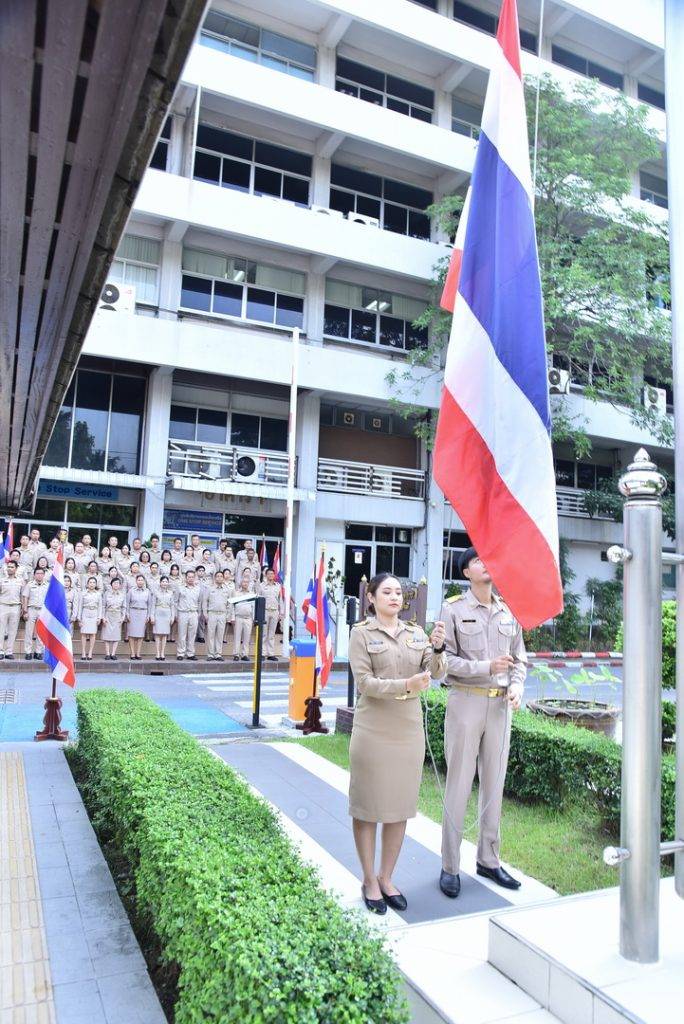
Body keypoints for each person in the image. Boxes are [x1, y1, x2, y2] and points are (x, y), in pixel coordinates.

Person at [348, 573, 447, 915]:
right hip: (373, 728)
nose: (394, 597)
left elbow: (434, 672)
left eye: (398, 592)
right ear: (371, 598)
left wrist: (437, 648)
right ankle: (368, 879)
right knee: (368, 806)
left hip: (408, 730)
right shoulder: (361, 633)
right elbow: (365, 682)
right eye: (386, 592)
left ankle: (386, 877)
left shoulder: (416, 633)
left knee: (398, 806)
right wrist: (406, 684)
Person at [438, 547, 527, 899]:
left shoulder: (508, 609)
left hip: (500, 708)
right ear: (465, 572)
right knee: (459, 785)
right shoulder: (453, 608)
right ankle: (449, 866)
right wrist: (485, 668)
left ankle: (489, 859)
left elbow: (520, 657)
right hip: (466, 702)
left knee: (494, 785)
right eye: (477, 561)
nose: (486, 563)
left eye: (489, 558)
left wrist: (517, 686)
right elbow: (443, 661)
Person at [202, 570, 232, 661]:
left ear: (223, 578)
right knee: (211, 635)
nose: (219, 578)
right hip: (212, 614)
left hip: (222, 614)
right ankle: (210, 654)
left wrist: (228, 615)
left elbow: (230, 603)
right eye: (217, 576)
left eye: (221, 576)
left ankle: (218, 654)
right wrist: (205, 613)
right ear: (215, 578)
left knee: (220, 635)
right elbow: (204, 601)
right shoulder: (209, 589)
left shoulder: (227, 589)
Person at [22, 567, 50, 660]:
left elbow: (50, 599)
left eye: (41, 573)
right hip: (31, 609)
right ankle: (28, 652)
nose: (39, 575)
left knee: (41, 632)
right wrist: (25, 611)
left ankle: (38, 652)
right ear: (34, 575)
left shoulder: (47, 585)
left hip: (43, 610)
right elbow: (25, 597)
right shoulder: (30, 585)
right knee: (29, 632)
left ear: (44, 575)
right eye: (37, 573)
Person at [0, 561, 24, 659]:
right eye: (8, 567)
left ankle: (9, 651)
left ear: (16, 568)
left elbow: (22, 595)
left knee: (12, 630)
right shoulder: (1, 580)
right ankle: (0, 651)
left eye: (12, 567)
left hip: (15, 607)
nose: (10, 568)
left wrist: (23, 608)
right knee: (1, 630)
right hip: (3, 606)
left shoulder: (21, 581)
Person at [176, 570, 200, 661]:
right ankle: (180, 653)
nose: (190, 579)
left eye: (192, 577)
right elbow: (175, 601)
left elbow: (199, 601)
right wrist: (176, 614)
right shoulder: (180, 588)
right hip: (183, 613)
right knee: (182, 634)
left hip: (193, 613)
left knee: (192, 634)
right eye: (189, 577)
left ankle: (190, 653)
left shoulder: (197, 588)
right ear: (186, 578)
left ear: (194, 578)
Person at [260, 569, 283, 661]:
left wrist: (281, 613)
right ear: (266, 575)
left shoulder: (278, 586)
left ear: (274, 575)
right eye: (269, 574)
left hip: (274, 611)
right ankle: (262, 653)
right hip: (264, 611)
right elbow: (259, 599)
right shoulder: (261, 586)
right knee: (264, 633)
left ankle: (271, 653)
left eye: (272, 574)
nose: (270, 575)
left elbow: (280, 600)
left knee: (272, 634)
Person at [77, 576, 103, 661]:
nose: (92, 584)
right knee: (84, 633)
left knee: (92, 634)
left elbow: (100, 607)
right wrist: (79, 618)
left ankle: (90, 652)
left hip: (94, 613)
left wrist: (99, 617)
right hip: (85, 612)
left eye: (93, 583)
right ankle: (83, 652)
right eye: (90, 582)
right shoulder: (83, 593)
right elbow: (80, 606)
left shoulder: (98, 594)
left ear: (96, 584)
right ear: (87, 584)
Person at [150, 575, 175, 661]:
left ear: (168, 583)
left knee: (164, 634)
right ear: (160, 583)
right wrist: (152, 616)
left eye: (166, 582)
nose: (164, 583)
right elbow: (152, 605)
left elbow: (172, 605)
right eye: (163, 581)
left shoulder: (171, 593)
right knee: (157, 634)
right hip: (158, 613)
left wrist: (172, 617)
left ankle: (162, 653)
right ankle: (157, 653)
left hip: (167, 613)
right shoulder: (156, 592)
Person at [126, 575, 150, 660]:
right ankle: (132, 653)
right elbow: (127, 603)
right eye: (139, 580)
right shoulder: (131, 591)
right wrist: (127, 614)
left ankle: (138, 653)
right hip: (133, 612)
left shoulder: (147, 591)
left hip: (143, 613)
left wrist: (148, 615)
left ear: (144, 581)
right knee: (131, 634)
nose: (140, 581)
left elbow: (149, 605)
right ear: (136, 581)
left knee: (140, 635)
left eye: (142, 580)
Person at [233, 572, 255, 661]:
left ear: (249, 584)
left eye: (247, 582)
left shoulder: (252, 594)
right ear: (241, 583)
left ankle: (245, 654)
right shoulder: (236, 593)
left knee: (247, 637)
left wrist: (253, 619)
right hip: (238, 617)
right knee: (237, 636)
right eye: (243, 582)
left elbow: (253, 607)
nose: (245, 583)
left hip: (248, 618)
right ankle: (236, 654)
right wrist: (232, 617)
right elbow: (232, 606)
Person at [101, 577, 125, 660]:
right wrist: (103, 617)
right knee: (107, 635)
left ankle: (113, 653)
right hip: (108, 614)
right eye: (114, 583)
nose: (116, 585)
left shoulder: (122, 594)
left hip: (117, 615)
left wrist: (123, 617)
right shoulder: (107, 593)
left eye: (118, 583)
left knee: (116, 635)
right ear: (111, 584)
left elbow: (124, 607)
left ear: (120, 585)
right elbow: (103, 606)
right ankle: (107, 653)